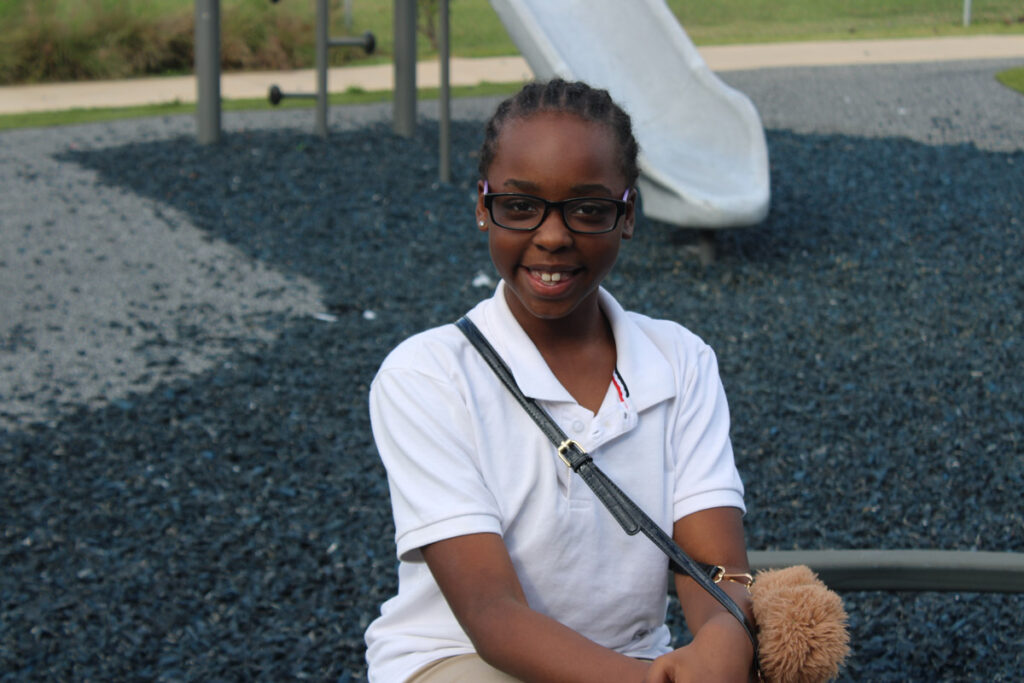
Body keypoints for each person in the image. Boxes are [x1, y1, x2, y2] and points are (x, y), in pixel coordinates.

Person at [364, 79, 755, 683]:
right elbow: (491, 614)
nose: (552, 235)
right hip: (460, 660)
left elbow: (713, 565)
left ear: (626, 217)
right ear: (481, 206)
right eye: (519, 206)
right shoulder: (427, 376)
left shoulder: (680, 361)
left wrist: (728, 634)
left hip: (637, 661)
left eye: (589, 209)